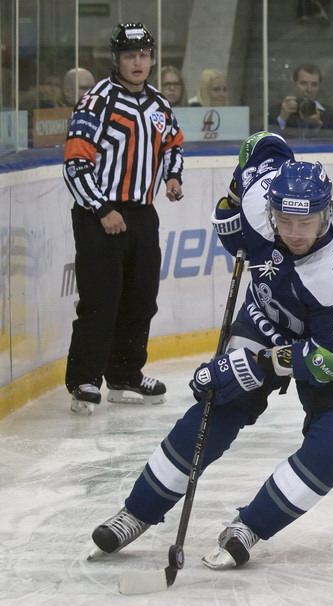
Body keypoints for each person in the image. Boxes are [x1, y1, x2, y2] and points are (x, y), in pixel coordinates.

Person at [89, 131, 333, 570]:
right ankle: (137, 512)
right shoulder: (261, 198)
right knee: (218, 400)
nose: (293, 233)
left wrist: (260, 364)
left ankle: (250, 526)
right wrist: (233, 195)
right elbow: (264, 144)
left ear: (327, 213)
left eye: (305, 223)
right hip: (268, 317)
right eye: (283, 221)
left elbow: (329, 360)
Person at [62, 22, 184, 415]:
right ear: (117, 59)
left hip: (142, 214)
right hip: (98, 213)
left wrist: (173, 176)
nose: (138, 62)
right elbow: (76, 162)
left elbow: (173, 146)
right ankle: (84, 379)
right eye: (130, 55)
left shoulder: (159, 105)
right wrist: (101, 209)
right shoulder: (95, 101)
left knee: (141, 298)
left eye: (144, 55)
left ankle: (125, 373)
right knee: (100, 300)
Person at [270, 62, 333, 138]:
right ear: (294, 84)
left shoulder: (332, 114)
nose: (309, 90)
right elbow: (262, 142)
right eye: (303, 83)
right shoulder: (276, 111)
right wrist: (282, 119)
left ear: (319, 87)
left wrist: (318, 126)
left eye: (314, 84)